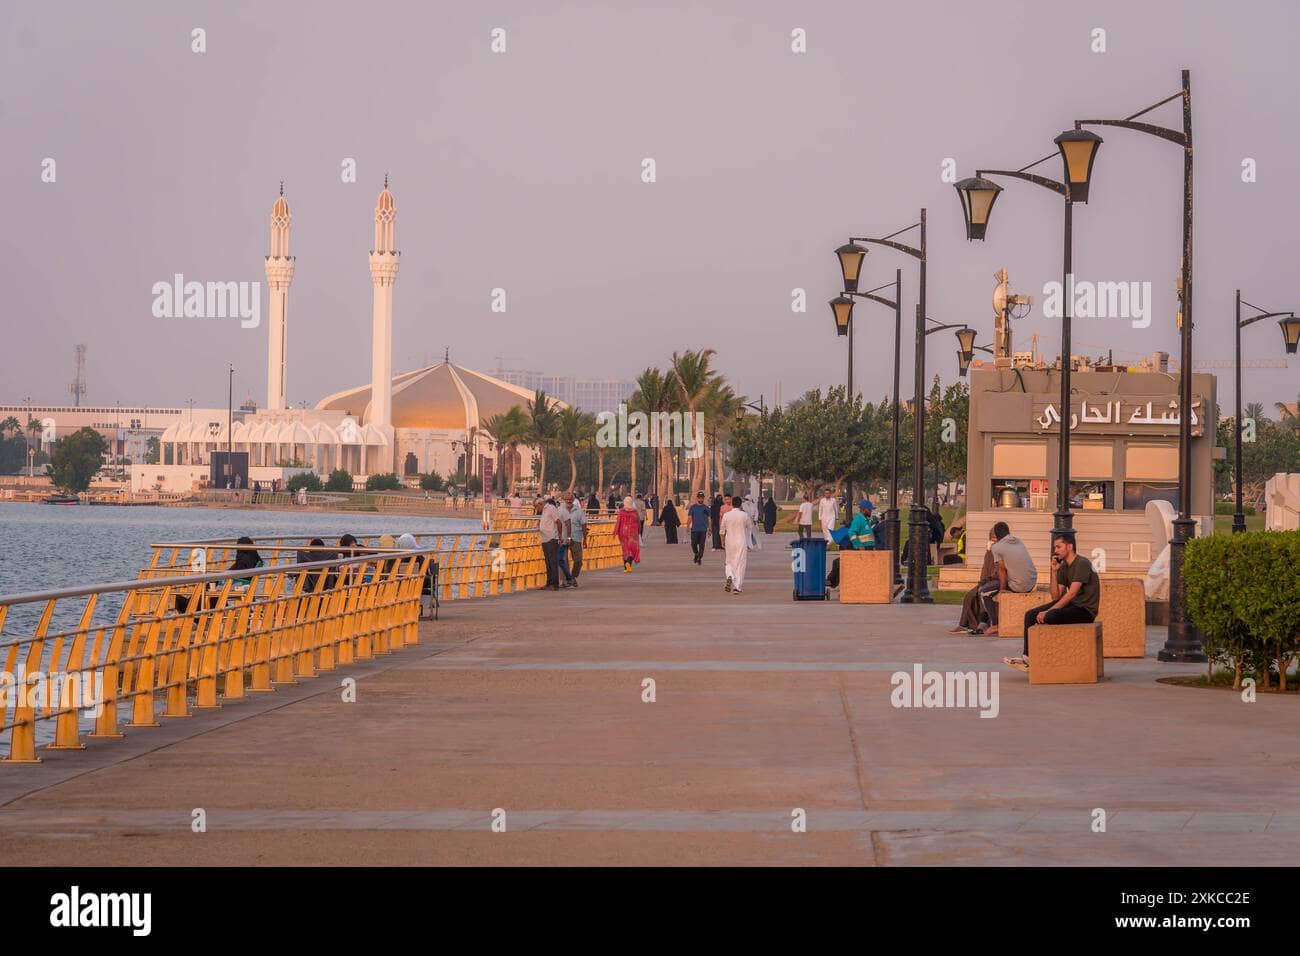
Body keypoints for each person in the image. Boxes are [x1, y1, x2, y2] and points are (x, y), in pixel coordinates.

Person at [1003, 531, 1099, 672]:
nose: (1055, 551)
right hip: (1071, 606)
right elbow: (1056, 596)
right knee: (1030, 615)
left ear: (1069, 547)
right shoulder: (1064, 566)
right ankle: (1028, 658)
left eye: (1058, 547)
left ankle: (1051, 656)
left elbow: (1072, 593)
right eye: (1055, 547)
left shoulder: (1082, 563)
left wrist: (1049, 610)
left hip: (1085, 610)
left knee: (1050, 616)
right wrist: (1054, 572)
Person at [975, 521, 1038, 636]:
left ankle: (994, 625)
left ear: (997, 535)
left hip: (1019, 585)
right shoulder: (1018, 541)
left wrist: (1002, 588)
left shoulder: (997, 547)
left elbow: (1002, 570)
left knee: (983, 592)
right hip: (1031, 582)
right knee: (991, 586)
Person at [951, 531, 999, 634]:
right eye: (991, 537)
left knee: (981, 593)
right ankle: (964, 624)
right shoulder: (990, 552)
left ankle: (983, 622)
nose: (993, 539)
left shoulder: (999, 551)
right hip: (986, 581)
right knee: (970, 595)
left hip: (995, 581)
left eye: (995, 537)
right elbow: (985, 569)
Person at [826, 500, 876, 588]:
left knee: (838, 562)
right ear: (864, 510)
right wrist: (859, 546)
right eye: (870, 509)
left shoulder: (865, 520)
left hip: (867, 549)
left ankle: (831, 581)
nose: (871, 511)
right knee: (838, 562)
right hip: (860, 549)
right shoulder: (858, 519)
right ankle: (830, 580)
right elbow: (852, 533)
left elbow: (867, 529)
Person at [720, 494, 753, 594]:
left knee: (729, 562)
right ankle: (737, 587)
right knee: (740, 563)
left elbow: (722, 531)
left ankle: (730, 575)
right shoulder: (744, 515)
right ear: (740, 505)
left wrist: (722, 542)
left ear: (732, 504)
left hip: (729, 541)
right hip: (741, 541)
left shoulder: (726, 515)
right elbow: (750, 527)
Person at [561, 491, 586, 586]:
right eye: (567, 499)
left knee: (578, 560)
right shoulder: (560, 510)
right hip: (563, 538)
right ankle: (565, 580)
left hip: (576, 537)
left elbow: (584, 524)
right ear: (564, 500)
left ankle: (573, 576)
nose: (568, 501)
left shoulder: (579, 511)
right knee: (563, 560)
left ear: (573, 500)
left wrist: (585, 539)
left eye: (570, 499)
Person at [537, 496, 562, 590]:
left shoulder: (551, 508)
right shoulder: (544, 510)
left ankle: (555, 584)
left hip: (551, 538)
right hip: (545, 539)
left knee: (552, 562)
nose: (537, 509)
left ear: (541, 504)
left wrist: (559, 536)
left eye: (537, 506)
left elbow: (558, 522)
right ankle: (549, 582)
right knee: (548, 562)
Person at [614, 496, 641, 572]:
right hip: (633, 533)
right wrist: (639, 531)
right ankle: (629, 563)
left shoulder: (621, 511)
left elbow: (618, 522)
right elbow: (638, 522)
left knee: (625, 549)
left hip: (623, 532)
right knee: (632, 549)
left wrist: (616, 531)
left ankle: (626, 567)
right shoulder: (635, 511)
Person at [686, 491, 711, 564]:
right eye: (699, 498)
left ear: (703, 498)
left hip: (703, 529)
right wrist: (687, 527)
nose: (701, 499)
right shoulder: (693, 507)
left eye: (702, 498)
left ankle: (699, 558)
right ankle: (696, 554)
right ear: (697, 498)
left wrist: (710, 529)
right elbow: (690, 517)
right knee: (693, 544)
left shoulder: (706, 508)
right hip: (694, 529)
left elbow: (709, 519)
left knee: (702, 545)